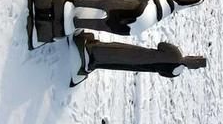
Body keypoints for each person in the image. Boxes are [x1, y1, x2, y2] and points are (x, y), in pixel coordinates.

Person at [27, 0, 203, 48]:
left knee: (104, 3)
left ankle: (75, 2)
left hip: (144, 7)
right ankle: (78, 21)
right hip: (138, 26)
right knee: (104, 24)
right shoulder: (166, 8)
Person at [72, 33, 206, 85]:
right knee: (118, 64)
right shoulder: (175, 72)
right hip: (144, 66)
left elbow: (161, 45)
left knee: (117, 51)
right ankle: (94, 62)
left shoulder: (176, 53)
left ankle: (91, 50)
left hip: (142, 54)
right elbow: (162, 72)